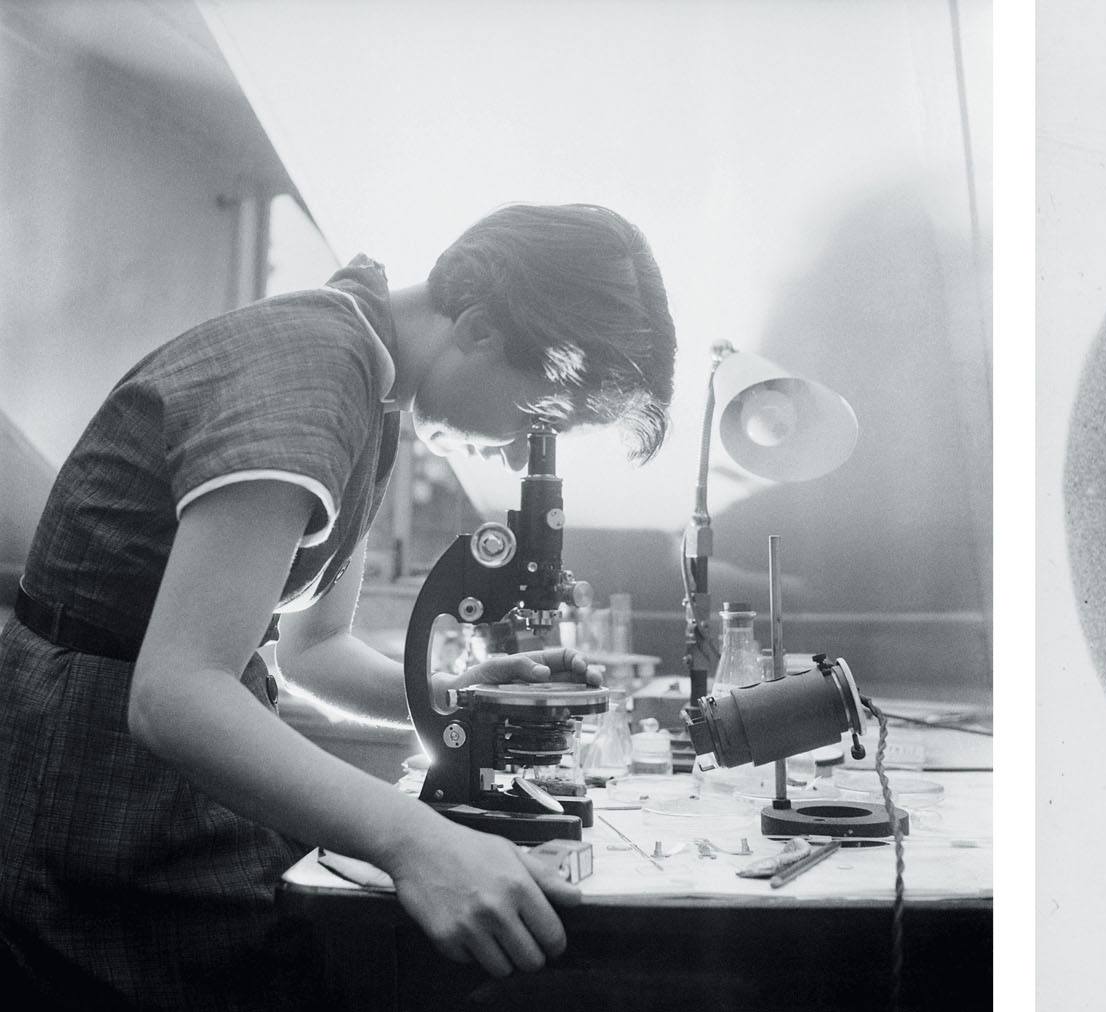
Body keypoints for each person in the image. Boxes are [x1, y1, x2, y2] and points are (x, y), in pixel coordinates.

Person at [0, 203, 678, 1009]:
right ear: (484, 328)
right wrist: (416, 843)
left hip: (160, 777)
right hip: (95, 790)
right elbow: (176, 694)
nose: (510, 449)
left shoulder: (371, 384)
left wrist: (458, 696)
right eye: (535, 417)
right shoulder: (311, 373)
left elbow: (313, 649)